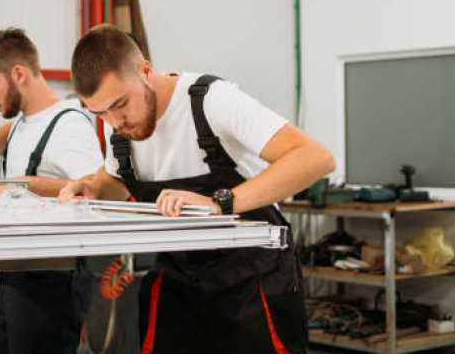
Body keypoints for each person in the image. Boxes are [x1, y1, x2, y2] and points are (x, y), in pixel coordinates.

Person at [59, 24, 335, 354]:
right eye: (100, 112)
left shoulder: (211, 102)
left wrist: (220, 202)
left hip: (251, 283)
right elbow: (116, 179)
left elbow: (315, 158)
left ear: (144, 70)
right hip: (177, 284)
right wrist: (91, 186)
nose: (114, 122)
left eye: (119, 104)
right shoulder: (121, 129)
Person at [0, 28, 102, 354]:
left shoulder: (70, 127)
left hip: (49, 284)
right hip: (12, 275)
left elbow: (94, 190)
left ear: (19, 74)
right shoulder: (26, 120)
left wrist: (15, 186)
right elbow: (9, 133)